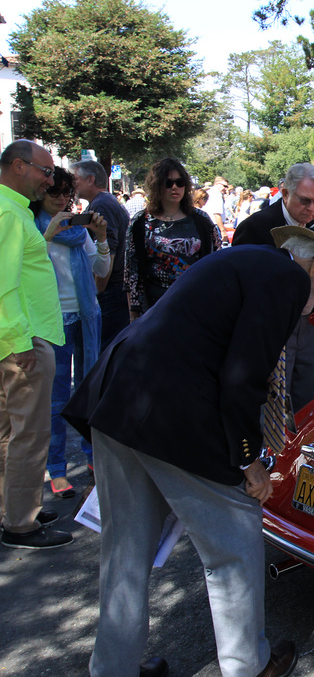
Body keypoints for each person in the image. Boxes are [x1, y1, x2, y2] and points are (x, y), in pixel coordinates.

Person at [63, 217, 314, 677]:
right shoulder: (286, 278)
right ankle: (250, 666)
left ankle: (112, 668)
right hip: (173, 414)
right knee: (234, 548)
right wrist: (250, 461)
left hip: (119, 400)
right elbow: (242, 376)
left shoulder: (250, 260)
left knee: (125, 552)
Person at [0, 140, 72, 550]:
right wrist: (20, 342)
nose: (49, 178)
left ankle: (14, 510)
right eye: (44, 170)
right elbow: (4, 285)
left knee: (10, 433)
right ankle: (21, 524)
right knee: (29, 433)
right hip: (22, 341)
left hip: (16, 338)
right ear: (18, 166)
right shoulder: (9, 212)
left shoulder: (11, 209)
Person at [31, 167, 111, 498]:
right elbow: (25, 265)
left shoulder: (79, 233)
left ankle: (93, 458)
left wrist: (102, 238)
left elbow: (102, 272)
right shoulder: (33, 229)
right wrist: (48, 233)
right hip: (50, 321)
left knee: (88, 391)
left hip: (85, 316)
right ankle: (58, 468)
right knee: (56, 398)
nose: (63, 200)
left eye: (67, 194)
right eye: (55, 194)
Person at [232, 163, 314, 410]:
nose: (311, 209)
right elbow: (240, 285)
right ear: (285, 193)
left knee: (308, 395)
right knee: (271, 402)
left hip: (309, 324)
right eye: (305, 201)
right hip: (271, 324)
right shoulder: (255, 227)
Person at [125, 158, 221, 319]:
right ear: (157, 186)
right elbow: (131, 271)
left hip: (195, 304)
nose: (175, 187)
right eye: (168, 183)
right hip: (154, 307)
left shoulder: (201, 220)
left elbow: (216, 261)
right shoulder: (140, 222)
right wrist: (133, 312)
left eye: (180, 182)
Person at [70, 159, 131, 351]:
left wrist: (97, 292)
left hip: (109, 291)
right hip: (112, 290)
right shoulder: (105, 202)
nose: (73, 185)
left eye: (75, 179)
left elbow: (108, 251)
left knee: (100, 352)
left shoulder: (102, 205)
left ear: (90, 179)